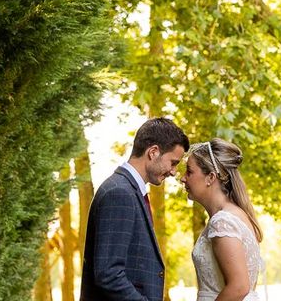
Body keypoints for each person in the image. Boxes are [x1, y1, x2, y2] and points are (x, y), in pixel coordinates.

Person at [80, 117, 189, 301]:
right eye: (173, 162)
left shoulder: (128, 190)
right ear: (153, 152)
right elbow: (109, 274)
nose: (173, 172)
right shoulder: (119, 193)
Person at [180, 138, 264, 301]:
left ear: (210, 177)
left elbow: (239, 287)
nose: (183, 178)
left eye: (189, 171)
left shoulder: (223, 221)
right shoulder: (234, 215)